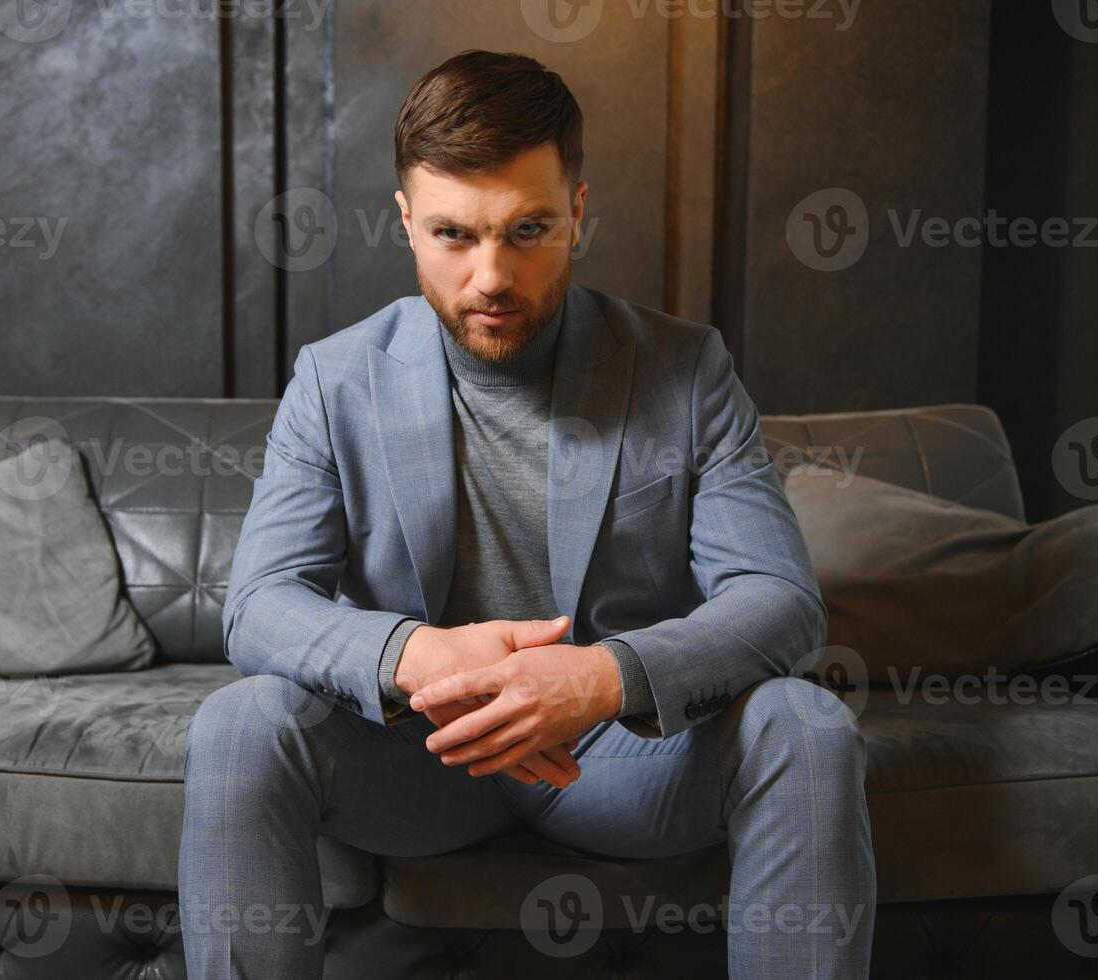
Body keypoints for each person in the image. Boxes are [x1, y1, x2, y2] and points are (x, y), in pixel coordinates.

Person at [179, 48, 875, 979]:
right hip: (416, 756)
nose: (490, 277)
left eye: (528, 229)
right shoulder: (334, 377)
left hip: (625, 761)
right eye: (453, 236)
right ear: (405, 222)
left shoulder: (685, 368)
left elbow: (781, 602)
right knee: (239, 723)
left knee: (806, 723)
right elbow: (259, 601)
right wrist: (414, 657)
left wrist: (601, 678)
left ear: (578, 211)